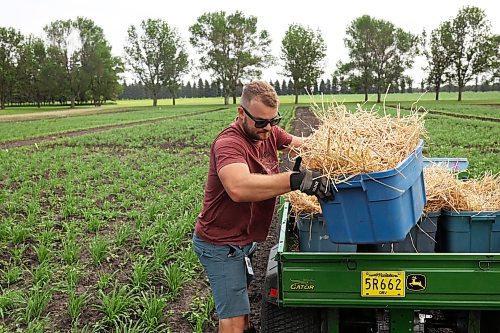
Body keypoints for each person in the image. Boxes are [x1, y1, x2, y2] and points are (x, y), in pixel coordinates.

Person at [192, 80, 332, 333]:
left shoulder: (269, 133)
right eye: (261, 122)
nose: (268, 128)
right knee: (232, 321)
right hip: (221, 244)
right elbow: (239, 188)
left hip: (244, 240)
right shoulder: (229, 144)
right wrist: (295, 180)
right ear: (241, 113)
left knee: (240, 306)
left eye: (273, 120)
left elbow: (303, 144)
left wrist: (341, 142)